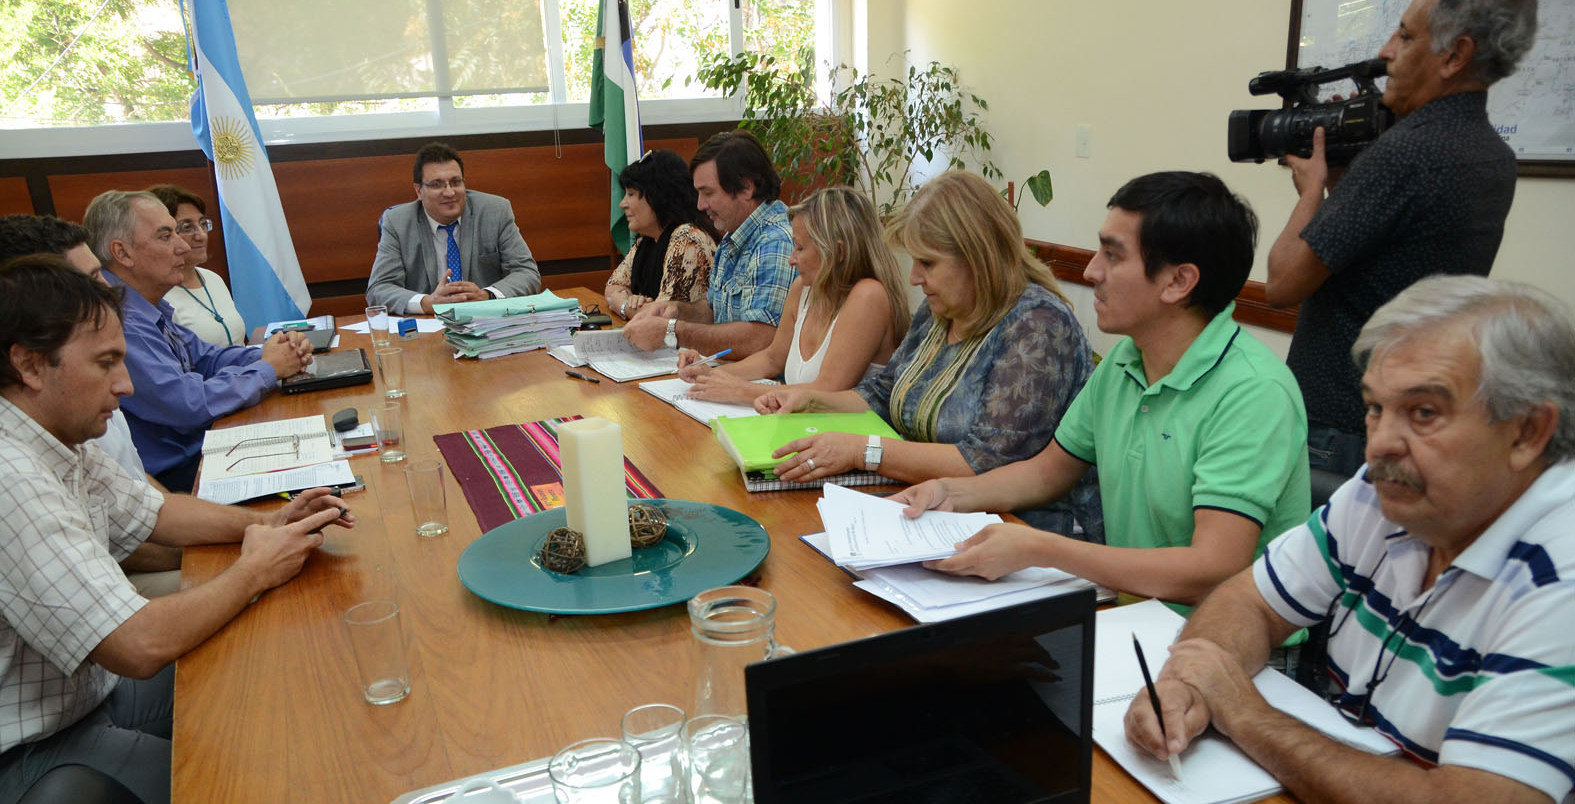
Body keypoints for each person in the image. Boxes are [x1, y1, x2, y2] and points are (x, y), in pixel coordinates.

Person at [1125, 275, 1575, 804]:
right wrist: (1193, 684)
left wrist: (1245, 713)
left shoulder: (1560, 577)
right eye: (1375, 408)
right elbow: (1253, 601)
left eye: (1423, 413)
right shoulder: (1381, 493)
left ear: (1527, 432)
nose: (1379, 444)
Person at [0, 256, 355, 804]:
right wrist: (254, 569)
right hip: (33, 749)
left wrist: (269, 521)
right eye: (106, 363)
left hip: (86, 697)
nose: (124, 385)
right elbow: (137, 643)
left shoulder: (53, 436)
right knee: (260, 775)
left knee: (270, 681)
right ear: (28, 364)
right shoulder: (12, 476)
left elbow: (157, 513)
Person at [895, 172, 1309, 611]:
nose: (1091, 271)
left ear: (1178, 282)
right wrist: (945, 492)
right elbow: (1046, 473)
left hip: (1225, 646)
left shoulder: (1253, 392)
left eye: (1112, 255)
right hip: (1135, 618)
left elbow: (1211, 569)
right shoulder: (1126, 360)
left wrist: (1042, 548)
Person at [1265, 0, 1537, 477]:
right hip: (1405, 413)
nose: (1387, 51)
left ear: (1455, 56)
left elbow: (1282, 286)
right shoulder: (1494, 156)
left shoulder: (1404, 154)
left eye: (1406, 37)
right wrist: (1345, 182)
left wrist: (1311, 191)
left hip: (1335, 426)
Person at [755, 170, 1099, 536]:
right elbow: (883, 393)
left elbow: (985, 462)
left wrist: (864, 452)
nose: (914, 277)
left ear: (977, 256)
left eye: (927, 263)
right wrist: (808, 400)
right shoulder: (942, 310)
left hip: (1025, 536)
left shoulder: (1037, 325)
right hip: (932, 512)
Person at [84, 190, 313, 493]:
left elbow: (206, 358)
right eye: (166, 237)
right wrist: (268, 368)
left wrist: (271, 353)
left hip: (203, 451)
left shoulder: (147, 306)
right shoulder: (119, 320)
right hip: (179, 476)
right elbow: (186, 404)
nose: (182, 246)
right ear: (122, 253)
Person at [675, 187, 910, 405]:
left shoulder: (868, 296)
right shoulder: (802, 288)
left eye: (799, 248)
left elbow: (827, 390)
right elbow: (771, 359)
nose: (791, 259)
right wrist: (710, 373)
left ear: (838, 251)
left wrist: (740, 391)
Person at [621, 130, 794, 359]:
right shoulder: (734, 235)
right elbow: (714, 311)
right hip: (727, 374)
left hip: (764, 387)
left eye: (708, 193)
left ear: (746, 187)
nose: (700, 205)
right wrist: (675, 311)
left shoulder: (775, 242)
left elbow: (760, 339)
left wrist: (674, 331)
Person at [366, 141, 542, 315]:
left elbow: (526, 272)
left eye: (456, 182)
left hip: (487, 321)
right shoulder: (398, 222)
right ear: (419, 190)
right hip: (429, 325)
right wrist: (427, 303)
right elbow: (379, 288)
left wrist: (487, 295)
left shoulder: (495, 211)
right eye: (437, 184)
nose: (449, 192)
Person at [603, 149, 720, 320]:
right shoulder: (648, 239)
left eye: (631, 194)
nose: (622, 204)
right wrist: (630, 303)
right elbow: (612, 288)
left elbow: (660, 317)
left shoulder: (687, 238)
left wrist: (625, 306)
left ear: (657, 196)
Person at [147, 184, 246, 347]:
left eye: (202, 224)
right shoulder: (158, 293)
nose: (201, 235)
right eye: (187, 227)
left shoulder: (213, 278)